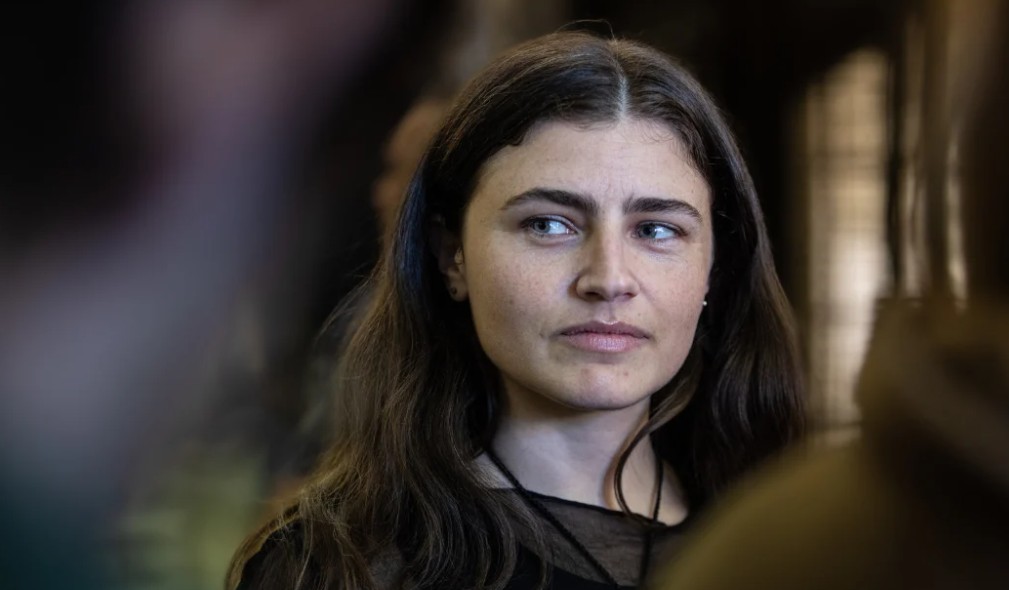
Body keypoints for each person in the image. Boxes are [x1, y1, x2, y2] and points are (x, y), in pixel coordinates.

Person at [229, 30, 805, 590]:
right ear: (451, 256)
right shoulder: (337, 566)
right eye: (548, 224)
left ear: (714, 267)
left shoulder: (801, 547)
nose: (608, 280)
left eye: (656, 229)